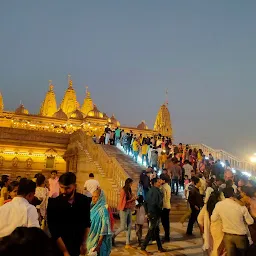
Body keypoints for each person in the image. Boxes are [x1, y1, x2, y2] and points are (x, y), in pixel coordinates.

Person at [47, 172, 91, 256]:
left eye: (68, 188)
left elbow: (86, 223)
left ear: (75, 186)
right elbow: (54, 230)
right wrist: (65, 251)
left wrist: (84, 243)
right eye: (62, 187)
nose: (64, 191)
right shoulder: (53, 203)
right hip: (59, 245)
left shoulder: (84, 200)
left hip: (76, 245)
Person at [211, 187, 254, 256]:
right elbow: (250, 222)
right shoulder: (240, 205)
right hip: (241, 236)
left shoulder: (219, 205)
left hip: (227, 236)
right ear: (233, 193)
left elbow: (213, 218)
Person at [141, 177, 167, 255]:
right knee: (151, 231)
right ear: (155, 183)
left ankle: (159, 247)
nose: (160, 183)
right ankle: (143, 247)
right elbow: (155, 204)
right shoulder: (155, 191)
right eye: (159, 182)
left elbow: (145, 202)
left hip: (152, 213)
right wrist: (151, 213)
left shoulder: (151, 190)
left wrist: (147, 212)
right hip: (154, 213)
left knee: (156, 231)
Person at [198, 190, 225, 256]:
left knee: (213, 246)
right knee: (219, 248)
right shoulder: (221, 206)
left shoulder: (207, 206)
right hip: (220, 229)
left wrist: (203, 230)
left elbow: (199, 219)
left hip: (211, 228)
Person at [87, 189, 112, 256]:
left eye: (96, 196)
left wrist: (98, 245)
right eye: (92, 196)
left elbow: (104, 228)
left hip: (98, 242)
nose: (93, 198)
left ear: (101, 197)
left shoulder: (103, 210)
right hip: (90, 240)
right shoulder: (93, 208)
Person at [113, 178, 136, 248]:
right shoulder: (123, 190)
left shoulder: (129, 190)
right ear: (128, 183)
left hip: (128, 209)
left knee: (129, 226)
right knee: (123, 226)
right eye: (131, 183)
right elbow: (123, 201)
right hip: (123, 209)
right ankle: (112, 236)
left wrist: (133, 197)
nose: (132, 185)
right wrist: (132, 199)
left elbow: (129, 199)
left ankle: (127, 243)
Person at [160, 174, 171, 242]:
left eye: (161, 179)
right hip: (168, 205)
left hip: (164, 206)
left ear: (164, 180)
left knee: (164, 222)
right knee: (166, 222)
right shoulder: (168, 186)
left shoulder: (163, 187)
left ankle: (167, 236)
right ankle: (167, 235)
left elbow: (163, 198)